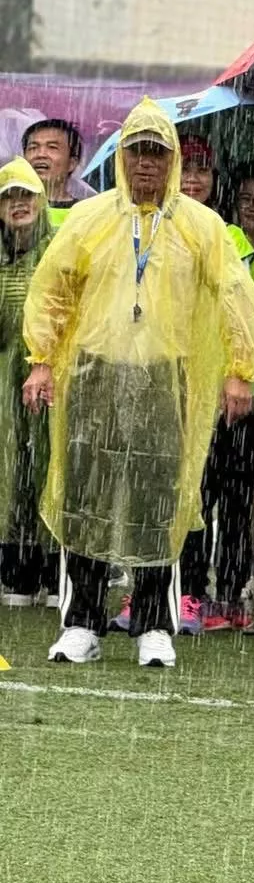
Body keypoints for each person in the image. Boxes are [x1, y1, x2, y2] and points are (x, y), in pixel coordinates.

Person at [25, 97, 254, 668]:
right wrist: (41, 359)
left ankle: (153, 622)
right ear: (121, 158)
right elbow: (53, 288)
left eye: (158, 153)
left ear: (173, 159)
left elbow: (236, 295)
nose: (147, 165)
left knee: (161, 497)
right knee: (86, 495)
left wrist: (240, 368)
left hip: (165, 376)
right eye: (137, 153)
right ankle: (82, 619)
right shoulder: (89, 218)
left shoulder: (202, 226)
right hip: (92, 371)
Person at [176, 162, 254, 633]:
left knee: (239, 501)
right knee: (196, 495)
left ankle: (229, 594)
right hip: (206, 391)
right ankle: (188, 590)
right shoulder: (214, 245)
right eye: (247, 199)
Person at [0, 159, 56, 608]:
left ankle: (56, 569)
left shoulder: (60, 249)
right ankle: (17, 570)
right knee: (9, 467)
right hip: (4, 377)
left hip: (53, 372)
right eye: (8, 197)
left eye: (26, 195)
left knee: (53, 464)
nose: (18, 205)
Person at [21, 118, 93, 219]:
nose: (40, 154)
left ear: (72, 163)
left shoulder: (85, 214)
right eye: (33, 147)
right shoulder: (7, 207)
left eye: (52, 147)